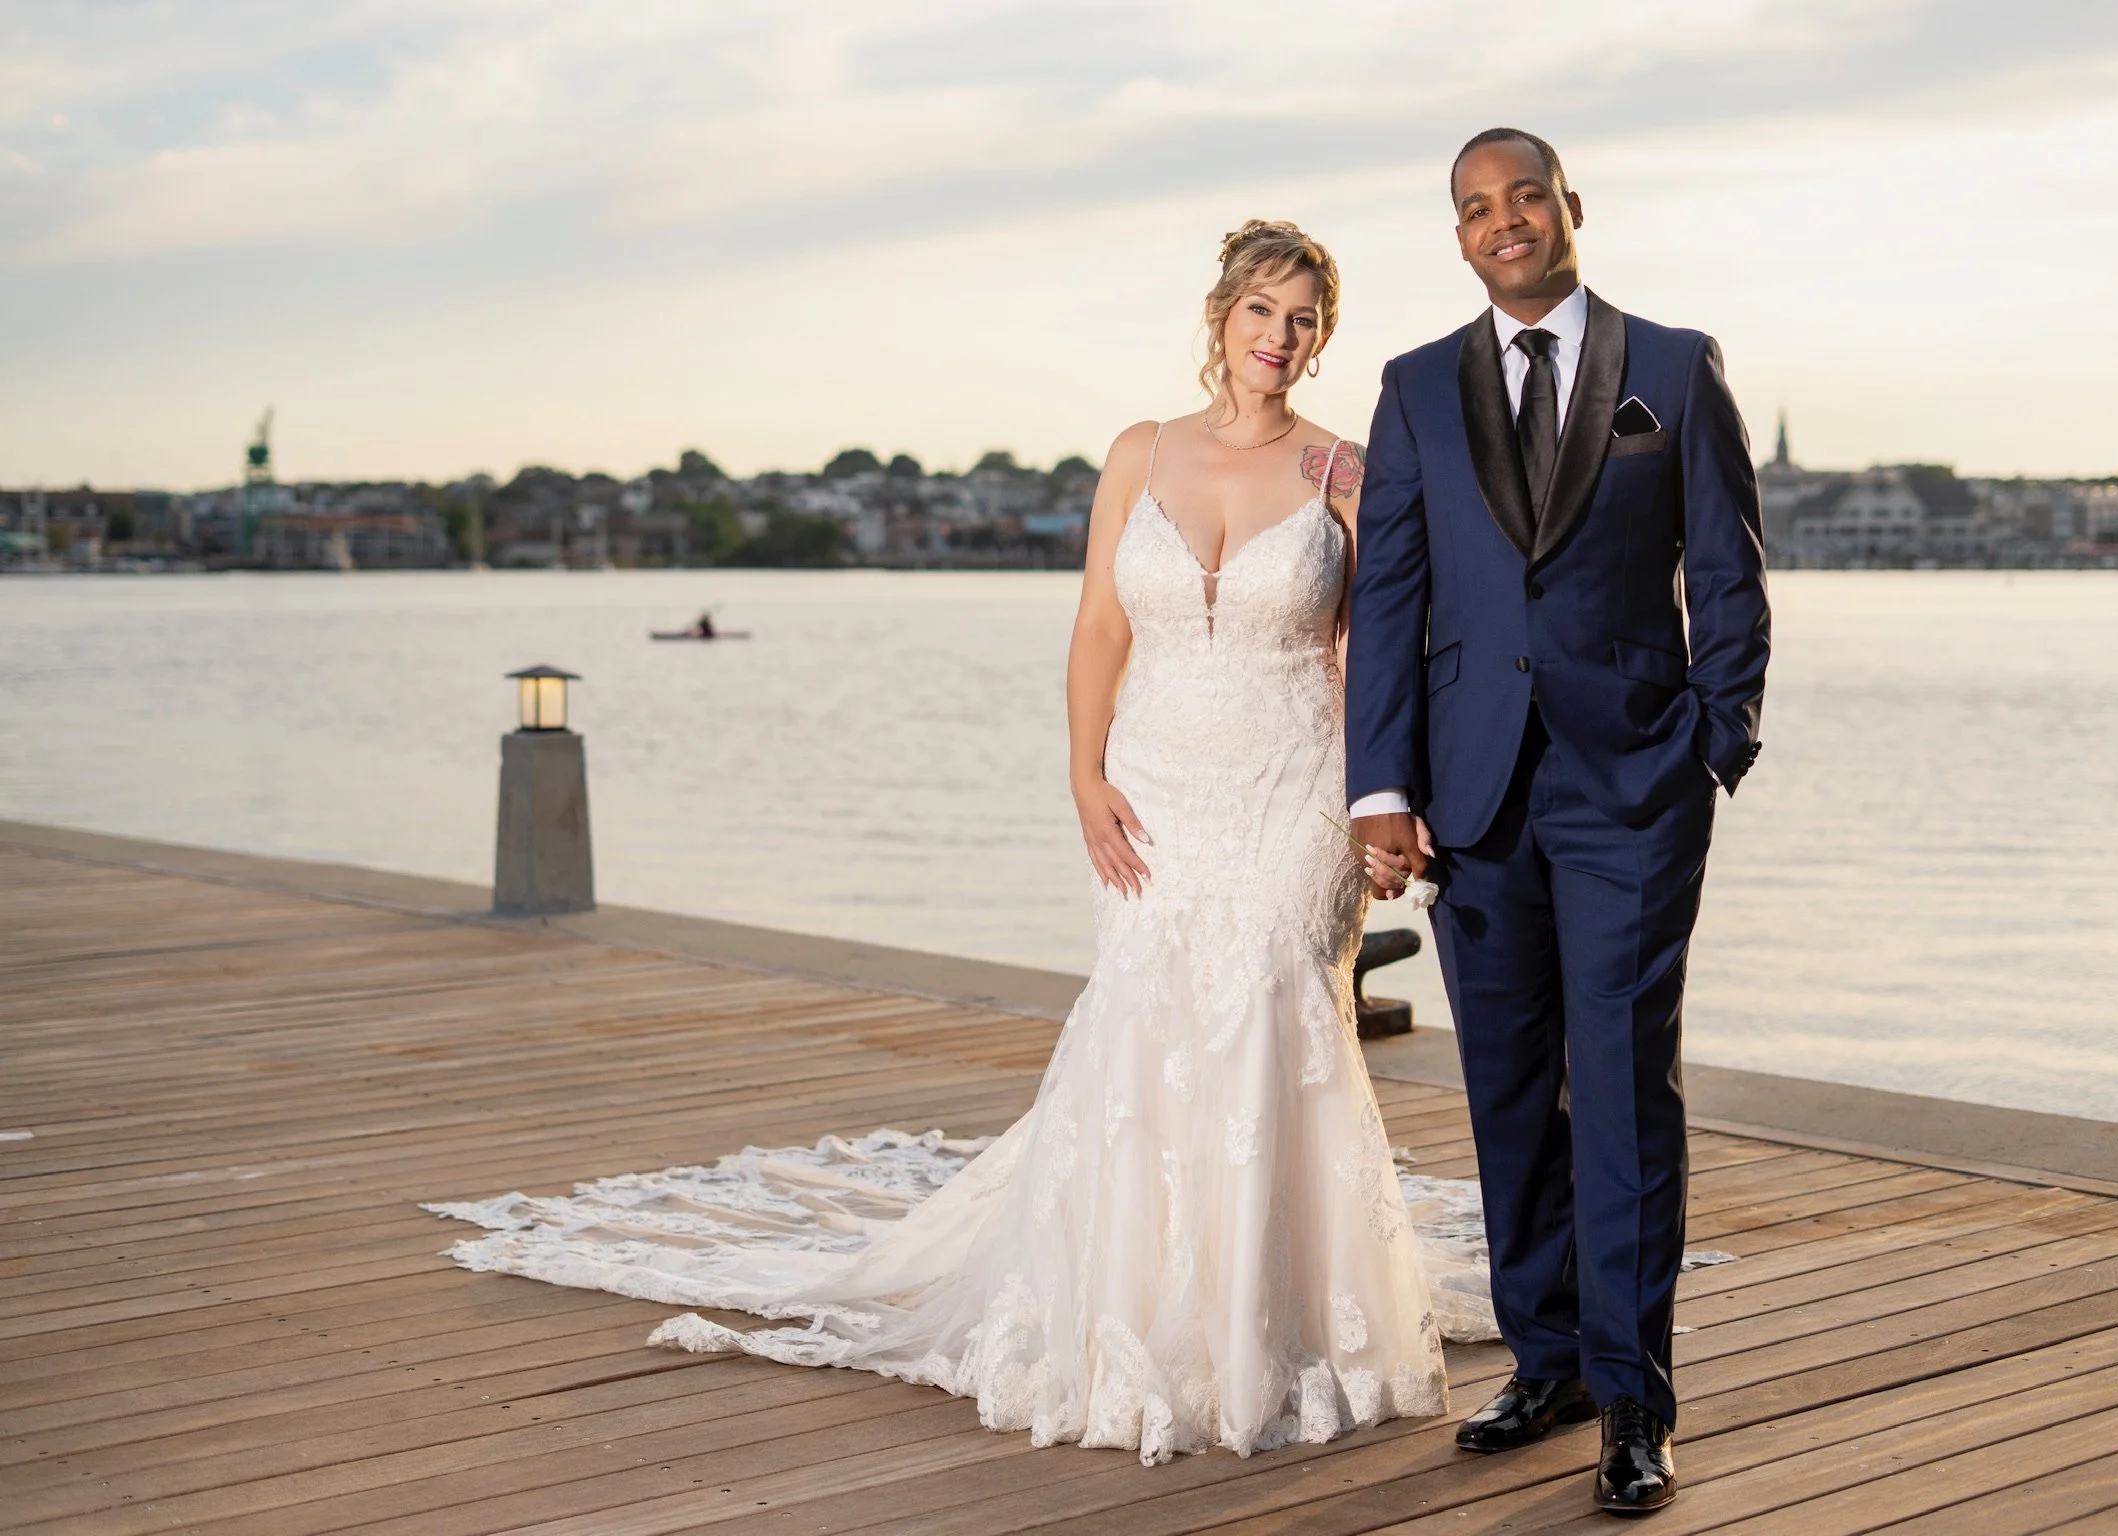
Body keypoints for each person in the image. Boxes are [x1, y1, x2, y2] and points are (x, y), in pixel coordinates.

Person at [424, 220, 1493, 1467]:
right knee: (1151, 1014)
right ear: (1221, 317)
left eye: (1305, 319)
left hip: (1288, 782)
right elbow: (1100, 627)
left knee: (1265, 1003)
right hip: (1154, 778)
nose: (1281, 338)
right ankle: (1141, 1303)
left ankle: (1280, 1324)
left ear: (1325, 337)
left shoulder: (1344, 474)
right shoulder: (1136, 456)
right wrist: (1084, 774)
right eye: (1264, 310)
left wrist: (1382, 802)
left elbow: (1367, 657)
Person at [1347, 129, 1770, 1514]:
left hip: (1633, 788)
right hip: (1471, 800)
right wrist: (1384, 790)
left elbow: (1726, 568)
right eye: (1476, 209)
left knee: (1627, 1091)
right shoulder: (1413, 389)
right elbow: (1394, 602)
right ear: (1459, 236)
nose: (1505, 222)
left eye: (1525, 197)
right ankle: (1546, 1363)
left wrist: (1717, 737)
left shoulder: (1671, 366)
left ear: (1569, 208)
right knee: (1509, 1091)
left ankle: (1635, 1402)